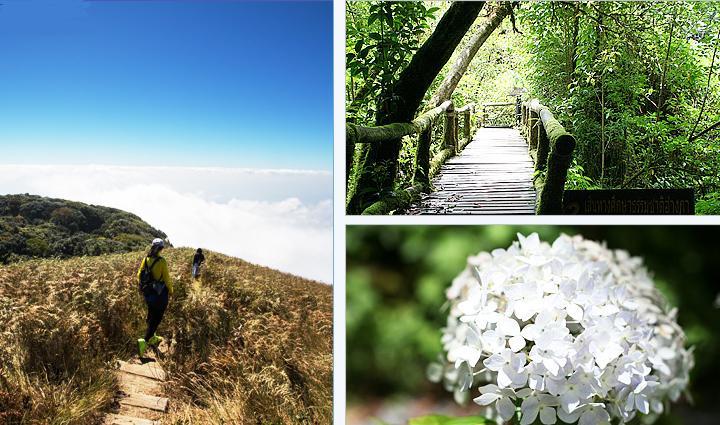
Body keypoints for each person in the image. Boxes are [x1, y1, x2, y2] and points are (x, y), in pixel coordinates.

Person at [136, 238, 173, 357]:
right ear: (161, 248)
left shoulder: (146, 259)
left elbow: (139, 275)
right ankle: (145, 341)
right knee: (157, 319)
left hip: (148, 293)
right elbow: (166, 278)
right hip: (159, 294)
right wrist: (171, 291)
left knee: (151, 314)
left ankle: (153, 337)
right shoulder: (162, 261)